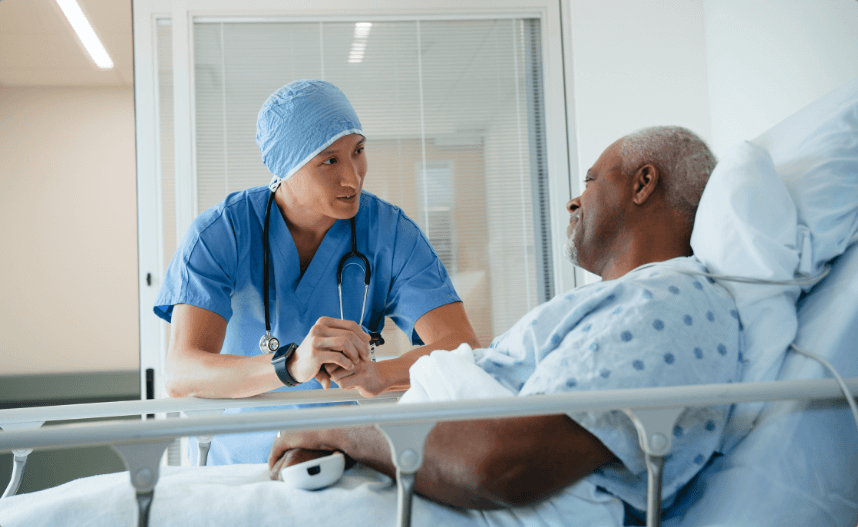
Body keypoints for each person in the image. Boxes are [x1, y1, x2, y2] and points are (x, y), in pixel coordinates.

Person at [268, 126, 742, 520]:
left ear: (643, 183)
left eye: (591, 181)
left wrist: (332, 430)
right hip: (421, 468)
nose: (573, 203)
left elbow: (505, 466)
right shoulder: (617, 302)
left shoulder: (667, 303)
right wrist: (344, 441)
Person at [154, 79, 479, 465]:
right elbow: (181, 373)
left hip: (337, 460)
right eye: (329, 161)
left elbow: (462, 348)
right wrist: (290, 365)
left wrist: (380, 375)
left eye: (358, 151)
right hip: (234, 467)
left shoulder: (389, 233)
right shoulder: (223, 233)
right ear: (284, 168)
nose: (353, 178)